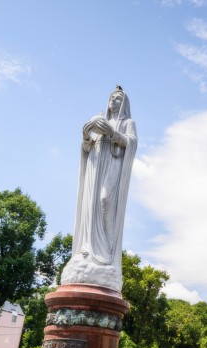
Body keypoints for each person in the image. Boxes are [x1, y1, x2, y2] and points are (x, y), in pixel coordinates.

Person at [61, 86, 137, 291]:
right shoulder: (98, 119)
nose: (114, 101)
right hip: (95, 167)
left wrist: (112, 132)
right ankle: (87, 248)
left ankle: (106, 252)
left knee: (105, 200)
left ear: (124, 104)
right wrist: (86, 135)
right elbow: (86, 148)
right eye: (112, 97)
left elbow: (131, 143)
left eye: (118, 98)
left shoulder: (127, 123)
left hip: (112, 165)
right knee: (91, 206)